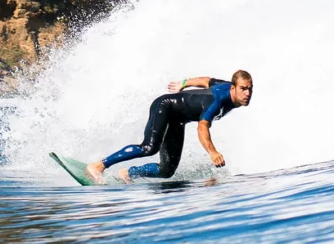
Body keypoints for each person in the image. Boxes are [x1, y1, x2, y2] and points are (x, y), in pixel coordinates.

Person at [85, 70, 254, 184]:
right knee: (149, 147)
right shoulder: (217, 103)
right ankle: (99, 166)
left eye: (249, 89)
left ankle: (128, 173)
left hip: (177, 120)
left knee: (167, 171)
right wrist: (212, 152)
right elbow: (202, 127)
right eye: (243, 89)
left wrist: (184, 83)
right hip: (165, 106)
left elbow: (206, 81)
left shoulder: (227, 87)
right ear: (233, 88)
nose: (247, 93)